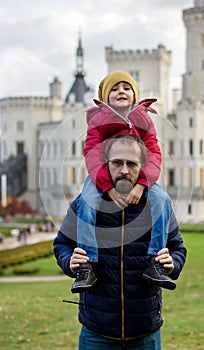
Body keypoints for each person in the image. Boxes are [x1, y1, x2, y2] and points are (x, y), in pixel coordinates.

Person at [54, 134, 187, 350]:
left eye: (131, 163)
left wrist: (173, 263)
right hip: (96, 332)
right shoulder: (86, 203)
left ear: (142, 166)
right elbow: (62, 244)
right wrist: (70, 261)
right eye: (117, 163)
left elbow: (178, 248)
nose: (124, 170)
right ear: (106, 165)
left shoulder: (157, 205)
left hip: (145, 333)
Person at [73, 71, 174, 293]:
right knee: (87, 201)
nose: (121, 91)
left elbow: (154, 153)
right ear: (105, 96)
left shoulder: (143, 119)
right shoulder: (98, 120)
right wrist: (106, 187)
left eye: (127, 88)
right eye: (115, 88)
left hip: (137, 176)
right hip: (103, 176)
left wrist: (142, 184)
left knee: (162, 200)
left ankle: (155, 261)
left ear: (134, 95)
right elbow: (92, 154)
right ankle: (86, 264)